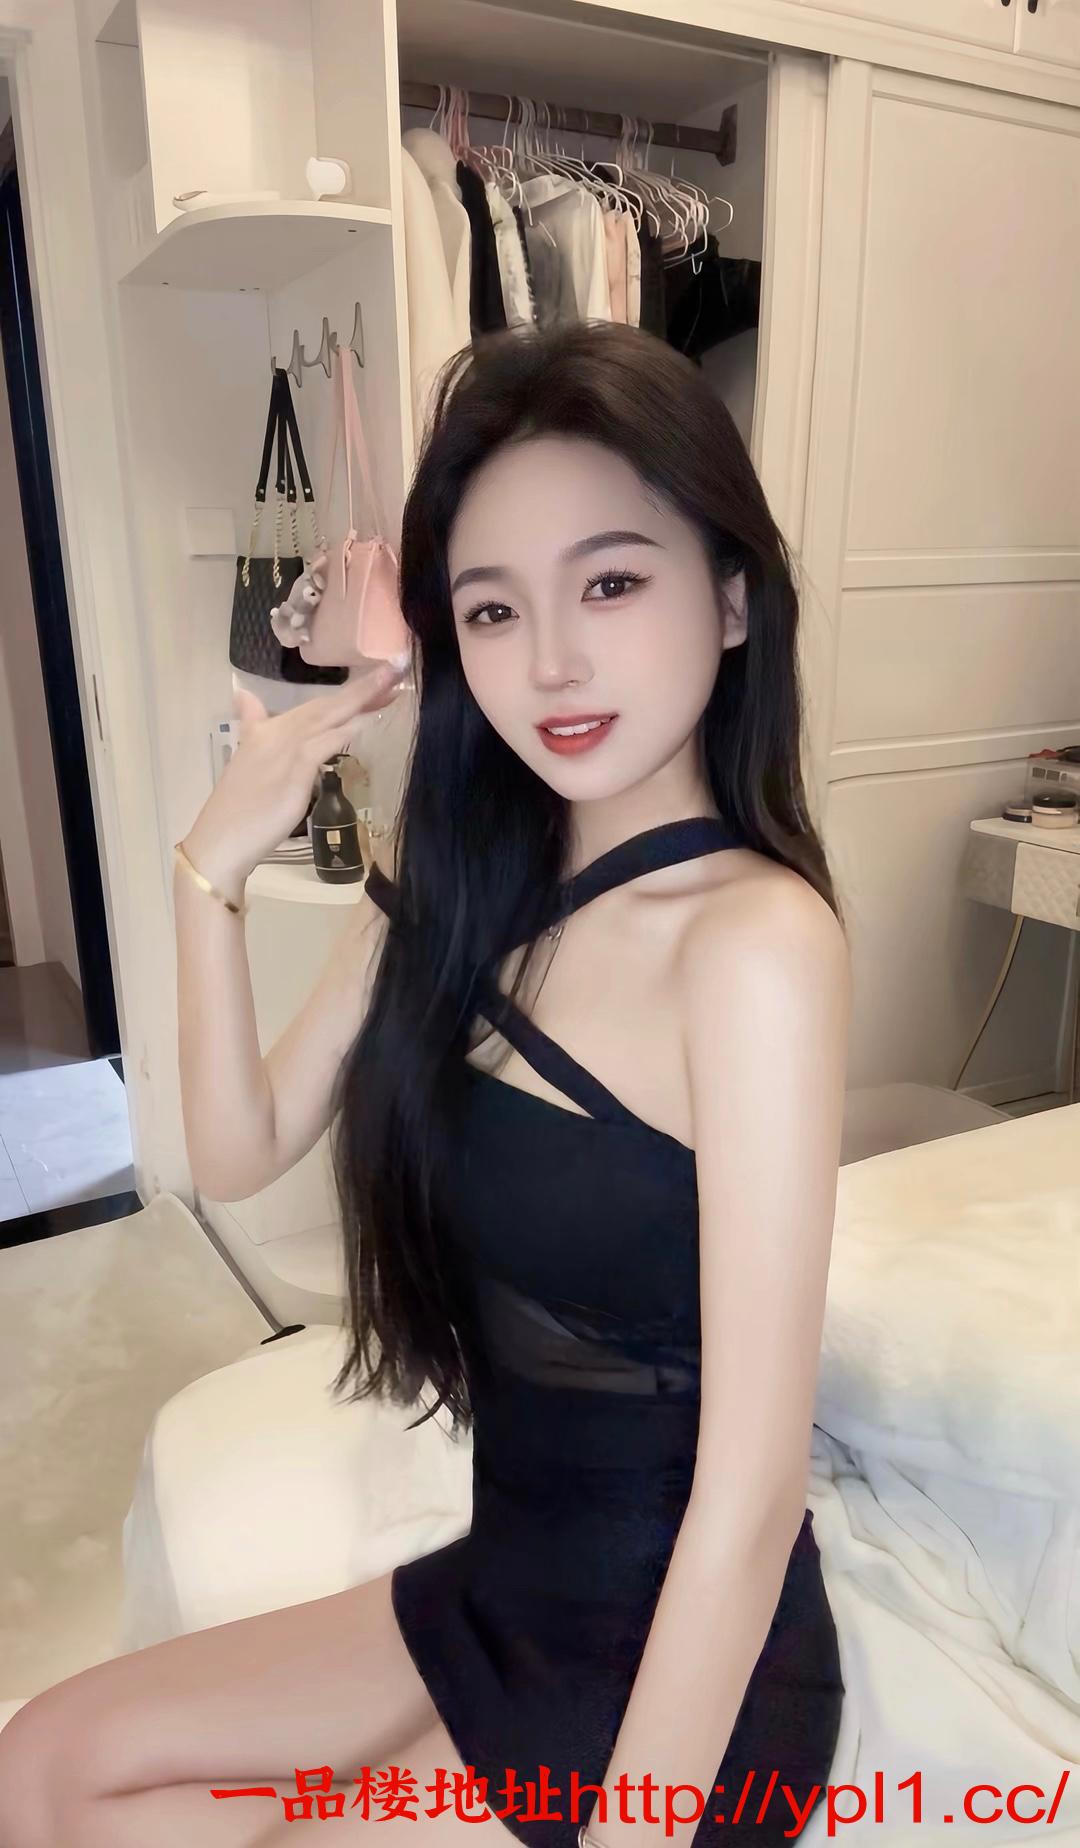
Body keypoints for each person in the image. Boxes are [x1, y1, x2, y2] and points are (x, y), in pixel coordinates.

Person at [0, 320, 852, 1848]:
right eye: (493, 608)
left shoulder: (755, 946)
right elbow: (238, 1147)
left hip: (674, 1660)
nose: (553, 662)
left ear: (730, 598)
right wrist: (213, 867)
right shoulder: (458, 878)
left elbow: (752, 1498)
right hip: (509, 1575)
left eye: (611, 583)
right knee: (42, 1764)